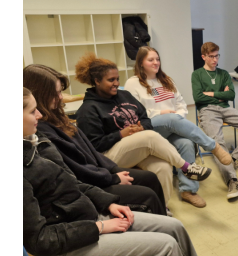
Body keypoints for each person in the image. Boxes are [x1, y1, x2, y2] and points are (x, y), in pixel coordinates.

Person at [23, 88, 220, 256]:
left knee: (174, 227)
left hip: (85, 217)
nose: (40, 115)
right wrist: (99, 227)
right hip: (67, 249)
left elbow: (73, 183)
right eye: (33, 111)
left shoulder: (38, 142)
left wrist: (107, 203)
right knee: (165, 248)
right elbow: (40, 241)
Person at [23, 64, 168, 216]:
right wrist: (112, 178)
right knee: (147, 195)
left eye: (60, 92)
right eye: (56, 93)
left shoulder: (57, 117)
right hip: (89, 185)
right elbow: (76, 172)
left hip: (98, 172)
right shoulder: (43, 130)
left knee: (150, 178)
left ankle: (163, 215)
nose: (60, 97)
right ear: (41, 94)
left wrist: (113, 170)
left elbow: (90, 152)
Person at [73, 53, 212, 207]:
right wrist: (121, 134)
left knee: (163, 167)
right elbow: (94, 146)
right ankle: (186, 167)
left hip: (135, 148)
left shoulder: (124, 95)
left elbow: (145, 117)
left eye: (117, 79)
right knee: (149, 136)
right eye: (111, 80)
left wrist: (142, 127)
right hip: (108, 156)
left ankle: (162, 208)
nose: (116, 83)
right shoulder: (88, 110)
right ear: (97, 81)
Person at [124, 47, 232, 208]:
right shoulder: (132, 83)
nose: (156, 62)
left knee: (186, 144)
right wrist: (162, 113)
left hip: (171, 125)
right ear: (140, 63)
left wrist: (177, 117)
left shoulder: (166, 80)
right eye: (150, 60)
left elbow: (181, 104)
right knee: (171, 119)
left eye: (157, 59)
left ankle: (188, 190)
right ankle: (213, 146)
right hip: (148, 128)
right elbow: (133, 112)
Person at [192, 42, 238, 202]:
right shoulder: (197, 74)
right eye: (211, 56)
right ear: (203, 57)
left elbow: (231, 95)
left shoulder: (224, 74)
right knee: (217, 142)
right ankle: (232, 181)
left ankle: (234, 158)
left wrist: (210, 93)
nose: (215, 59)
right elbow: (198, 97)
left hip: (225, 108)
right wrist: (219, 95)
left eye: (217, 55)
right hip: (207, 111)